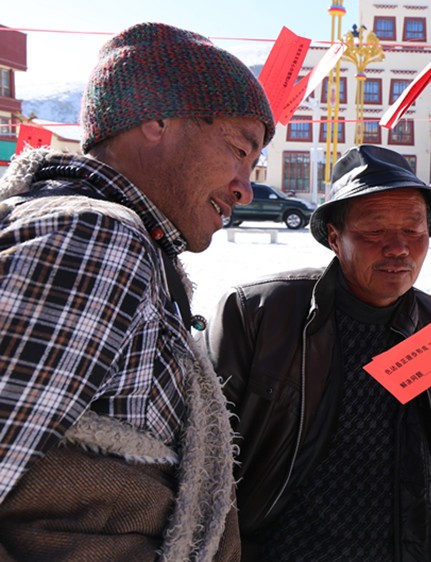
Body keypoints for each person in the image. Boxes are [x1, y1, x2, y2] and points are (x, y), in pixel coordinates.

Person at [0, 22, 274, 561]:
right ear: (155, 120)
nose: (246, 187)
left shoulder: (107, 238)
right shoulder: (94, 237)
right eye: (240, 149)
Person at [205, 145, 431, 561]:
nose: (399, 248)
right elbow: (203, 458)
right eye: (374, 231)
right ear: (335, 238)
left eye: (413, 230)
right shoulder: (259, 315)